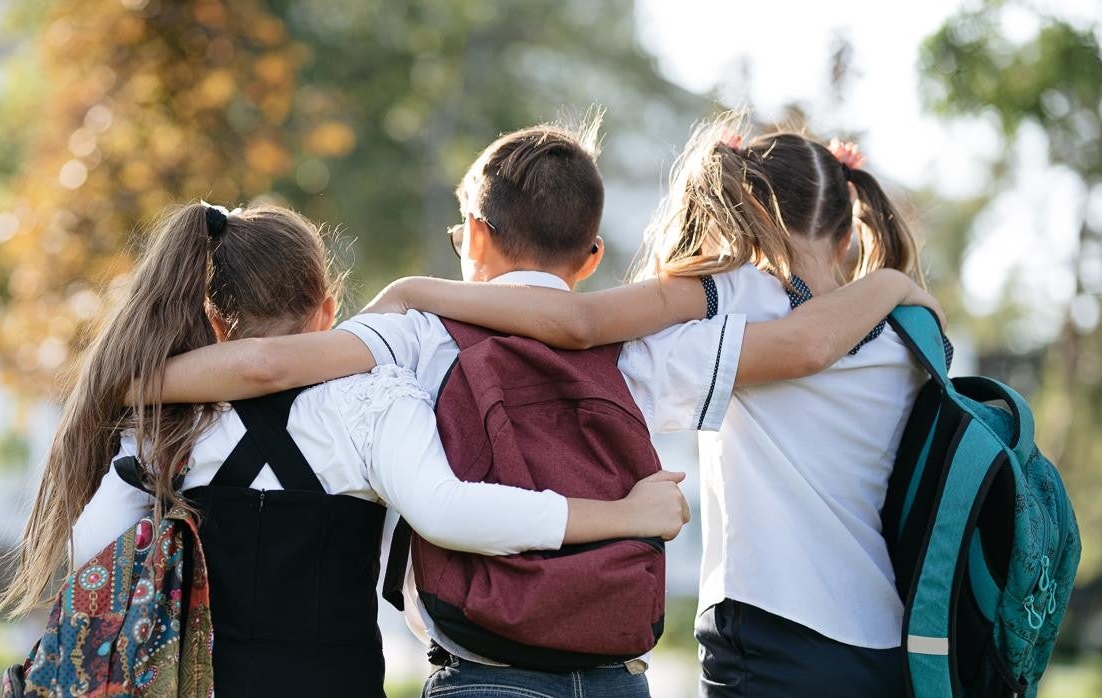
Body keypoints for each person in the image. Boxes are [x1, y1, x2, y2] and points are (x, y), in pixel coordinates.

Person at [148, 118, 940, 696]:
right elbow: (783, 343)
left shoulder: (417, 333)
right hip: (618, 670)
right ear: (592, 255)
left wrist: (127, 380)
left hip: (487, 667)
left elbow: (270, 363)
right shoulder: (649, 349)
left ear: (473, 237)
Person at [0, 202, 692, 698]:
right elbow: (449, 512)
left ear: (212, 319)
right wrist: (623, 515)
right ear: (329, 309)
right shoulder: (374, 401)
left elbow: (93, 549)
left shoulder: (164, 420)